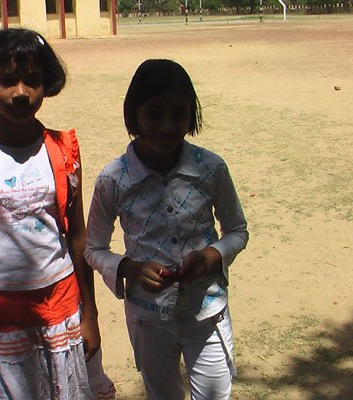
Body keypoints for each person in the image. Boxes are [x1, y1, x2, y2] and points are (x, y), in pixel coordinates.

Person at [0, 28, 115, 400]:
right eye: (7, 80)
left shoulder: (63, 151)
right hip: (2, 316)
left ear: (46, 85)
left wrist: (90, 315)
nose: (21, 92)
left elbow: (78, 238)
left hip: (62, 308)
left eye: (32, 80)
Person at [85, 59, 249, 400]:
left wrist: (212, 254)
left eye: (179, 114)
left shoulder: (211, 168)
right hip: (149, 318)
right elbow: (93, 248)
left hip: (207, 311)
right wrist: (130, 268)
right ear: (133, 115)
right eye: (154, 114)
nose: (167, 126)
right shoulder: (113, 180)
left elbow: (237, 230)